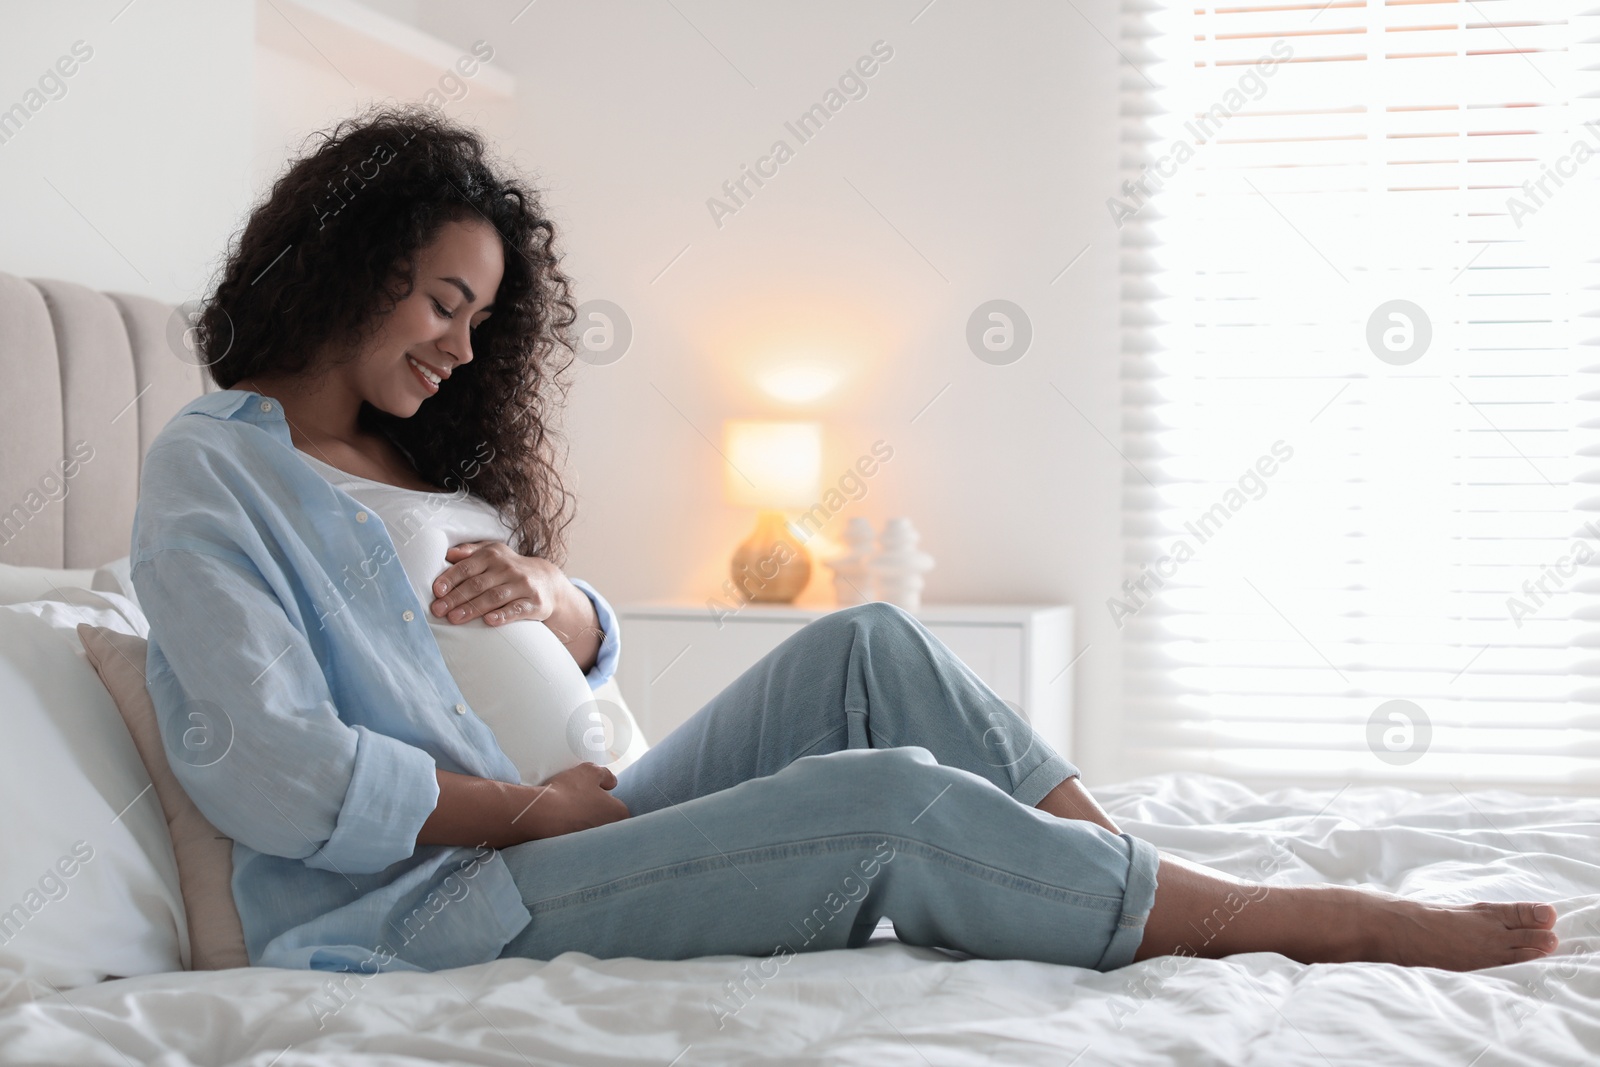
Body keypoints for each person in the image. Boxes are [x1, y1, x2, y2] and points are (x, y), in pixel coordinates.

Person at [130, 104, 1559, 979]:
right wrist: (529, 812)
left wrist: (564, 601)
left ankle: (1145, 888)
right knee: (885, 801)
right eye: (443, 299)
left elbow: (549, 641)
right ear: (345, 258)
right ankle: (1269, 919)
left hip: (587, 807)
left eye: (477, 320)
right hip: (441, 899)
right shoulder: (214, 471)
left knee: (872, 643)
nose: (459, 345)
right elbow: (265, 764)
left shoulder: (406, 457)